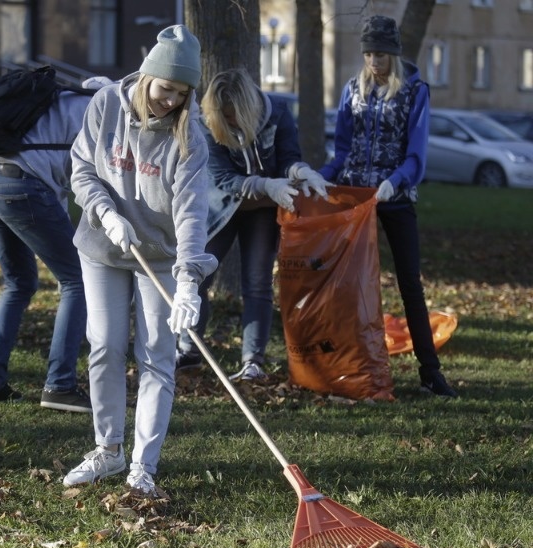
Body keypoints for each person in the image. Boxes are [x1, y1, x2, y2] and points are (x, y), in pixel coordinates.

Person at [62, 25, 217, 496]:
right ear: (147, 77)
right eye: (166, 88)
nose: (171, 100)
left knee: (157, 356)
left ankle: (142, 466)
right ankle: (107, 451)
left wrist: (189, 279)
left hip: (162, 256)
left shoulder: (190, 136)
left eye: (182, 94)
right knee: (105, 345)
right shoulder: (106, 104)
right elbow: (82, 167)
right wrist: (105, 212)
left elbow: (192, 214)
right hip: (104, 246)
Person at [320, 15, 457, 398]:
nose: (374, 61)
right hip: (355, 201)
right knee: (349, 285)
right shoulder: (352, 90)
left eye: (381, 54)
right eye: (368, 54)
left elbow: (416, 156)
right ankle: (344, 365)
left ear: (394, 54)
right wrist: (319, 175)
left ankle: (431, 372)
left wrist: (393, 183)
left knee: (409, 283)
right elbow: (342, 152)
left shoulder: (415, 92)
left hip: (394, 198)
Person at [176, 68, 330, 380]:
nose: (230, 124)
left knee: (257, 282)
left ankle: (252, 361)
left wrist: (299, 170)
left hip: (261, 209)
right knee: (198, 277)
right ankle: (188, 349)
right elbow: (222, 178)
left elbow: (288, 157)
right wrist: (268, 185)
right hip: (220, 205)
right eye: (225, 119)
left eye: (234, 117)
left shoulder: (279, 113)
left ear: (249, 109)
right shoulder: (208, 120)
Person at [0, 77, 112, 412]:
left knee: (18, 284)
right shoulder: (100, 112)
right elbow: (84, 179)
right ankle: (59, 386)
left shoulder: (56, 101)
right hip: (23, 188)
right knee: (77, 280)